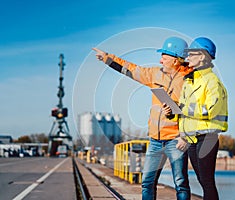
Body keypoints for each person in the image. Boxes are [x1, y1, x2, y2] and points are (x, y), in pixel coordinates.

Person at [92, 36, 192, 200]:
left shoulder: (190, 80)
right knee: (147, 183)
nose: (160, 61)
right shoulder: (154, 74)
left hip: (177, 139)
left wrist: (176, 109)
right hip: (155, 140)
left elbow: (194, 108)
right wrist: (107, 58)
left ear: (176, 59)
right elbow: (130, 69)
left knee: (181, 184)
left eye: (164, 57)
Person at [162, 37, 228, 200]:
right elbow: (186, 112)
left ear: (202, 56)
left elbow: (211, 109)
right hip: (192, 137)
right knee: (201, 180)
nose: (188, 58)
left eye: (191, 54)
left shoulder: (212, 81)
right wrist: (172, 111)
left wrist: (184, 109)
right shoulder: (190, 81)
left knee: (207, 181)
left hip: (207, 137)